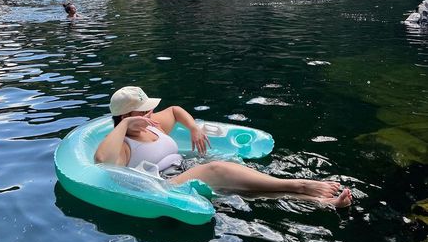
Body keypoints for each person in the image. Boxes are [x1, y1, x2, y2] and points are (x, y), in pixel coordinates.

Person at [95, 86, 352, 208]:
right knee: (216, 169)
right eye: (144, 112)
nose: (152, 113)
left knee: (244, 188)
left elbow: (174, 110)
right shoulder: (124, 144)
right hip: (162, 185)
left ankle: (322, 202)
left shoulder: (153, 125)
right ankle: (300, 184)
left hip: (184, 169)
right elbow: (103, 162)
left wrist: (194, 128)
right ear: (128, 116)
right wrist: (125, 124)